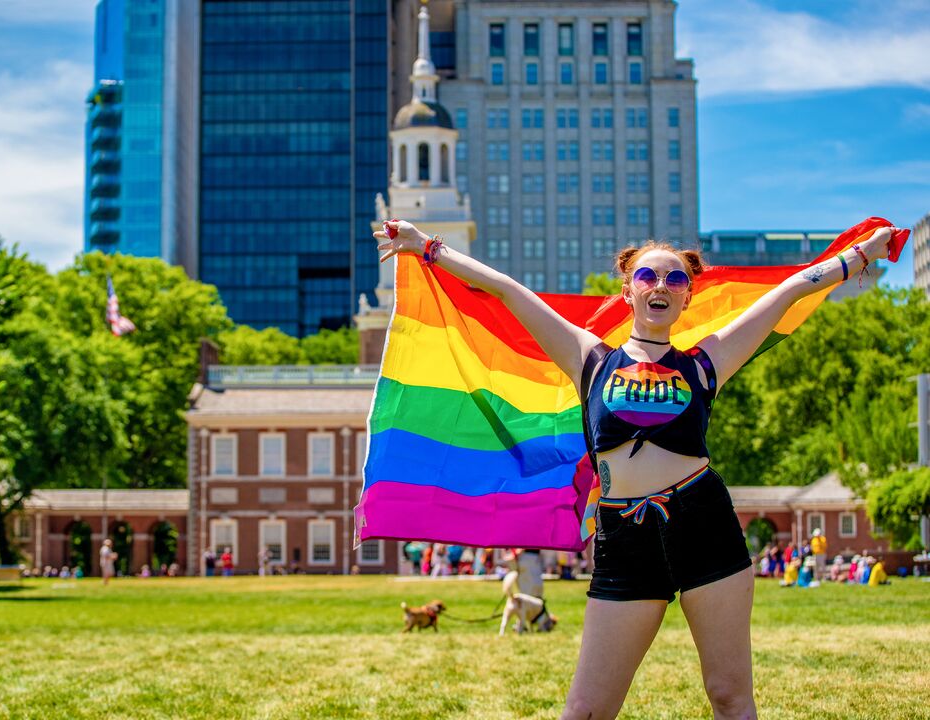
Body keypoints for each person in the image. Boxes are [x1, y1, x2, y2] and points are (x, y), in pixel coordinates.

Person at [375, 218, 899, 719]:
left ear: (687, 296)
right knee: (585, 711)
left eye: (675, 278)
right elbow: (510, 292)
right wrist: (428, 247)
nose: (661, 284)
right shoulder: (590, 358)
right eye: (648, 274)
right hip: (625, 539)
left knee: (729, 698)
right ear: (628, 291)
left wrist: (860, 256)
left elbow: (786, 293)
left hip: (704, 525)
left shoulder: (705, 361)